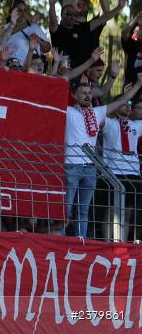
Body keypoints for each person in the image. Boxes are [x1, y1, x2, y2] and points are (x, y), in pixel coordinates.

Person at [63, 74, 142, 238]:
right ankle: (62, 241)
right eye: (83, 92)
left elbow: (123, 99)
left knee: (83, 210)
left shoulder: (97, 113)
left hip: (91, 168)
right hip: (71, 166)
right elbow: (53, 93)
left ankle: (81, 241)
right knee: (66, 209)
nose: (87, 95)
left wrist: (139, 83)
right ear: (74, 96)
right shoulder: (68, 111)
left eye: (90, 93)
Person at [101, 96, 142, 241]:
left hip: (133, 172)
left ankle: (121, 244)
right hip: (114, 171)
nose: (128, 106)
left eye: (129, 104)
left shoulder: (137, 125)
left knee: (128, 212)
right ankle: (107, 243)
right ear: (116, 106)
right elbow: (96, 116)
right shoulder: (109, 123)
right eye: (123, 104)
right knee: (112, 211)